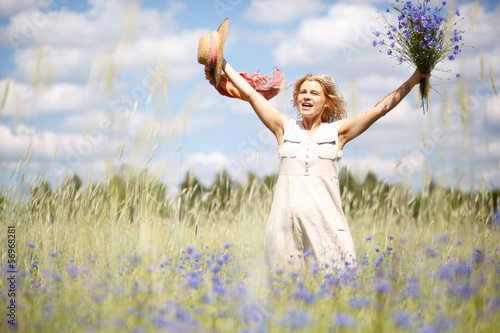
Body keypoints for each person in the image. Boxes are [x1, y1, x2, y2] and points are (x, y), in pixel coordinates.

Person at [198, 19, 430, 271]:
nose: (306, 96)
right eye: (302, 92)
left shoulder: (337, 132)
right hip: (284, 227)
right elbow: (252, 95)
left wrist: (415, 78)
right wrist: (224, 62)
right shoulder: (284, 127)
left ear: (326, 102)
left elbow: (378, 110)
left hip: (326, 226)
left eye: (314, 93)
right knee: (285, 291)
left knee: (337, 287)